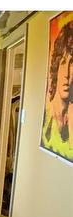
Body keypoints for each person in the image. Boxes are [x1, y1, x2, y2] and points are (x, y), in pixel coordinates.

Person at [41, 19, 73, 162]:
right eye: (63, 63)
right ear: (55, 67)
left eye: (72, 64)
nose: (67, 73)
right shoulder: (48, 118)